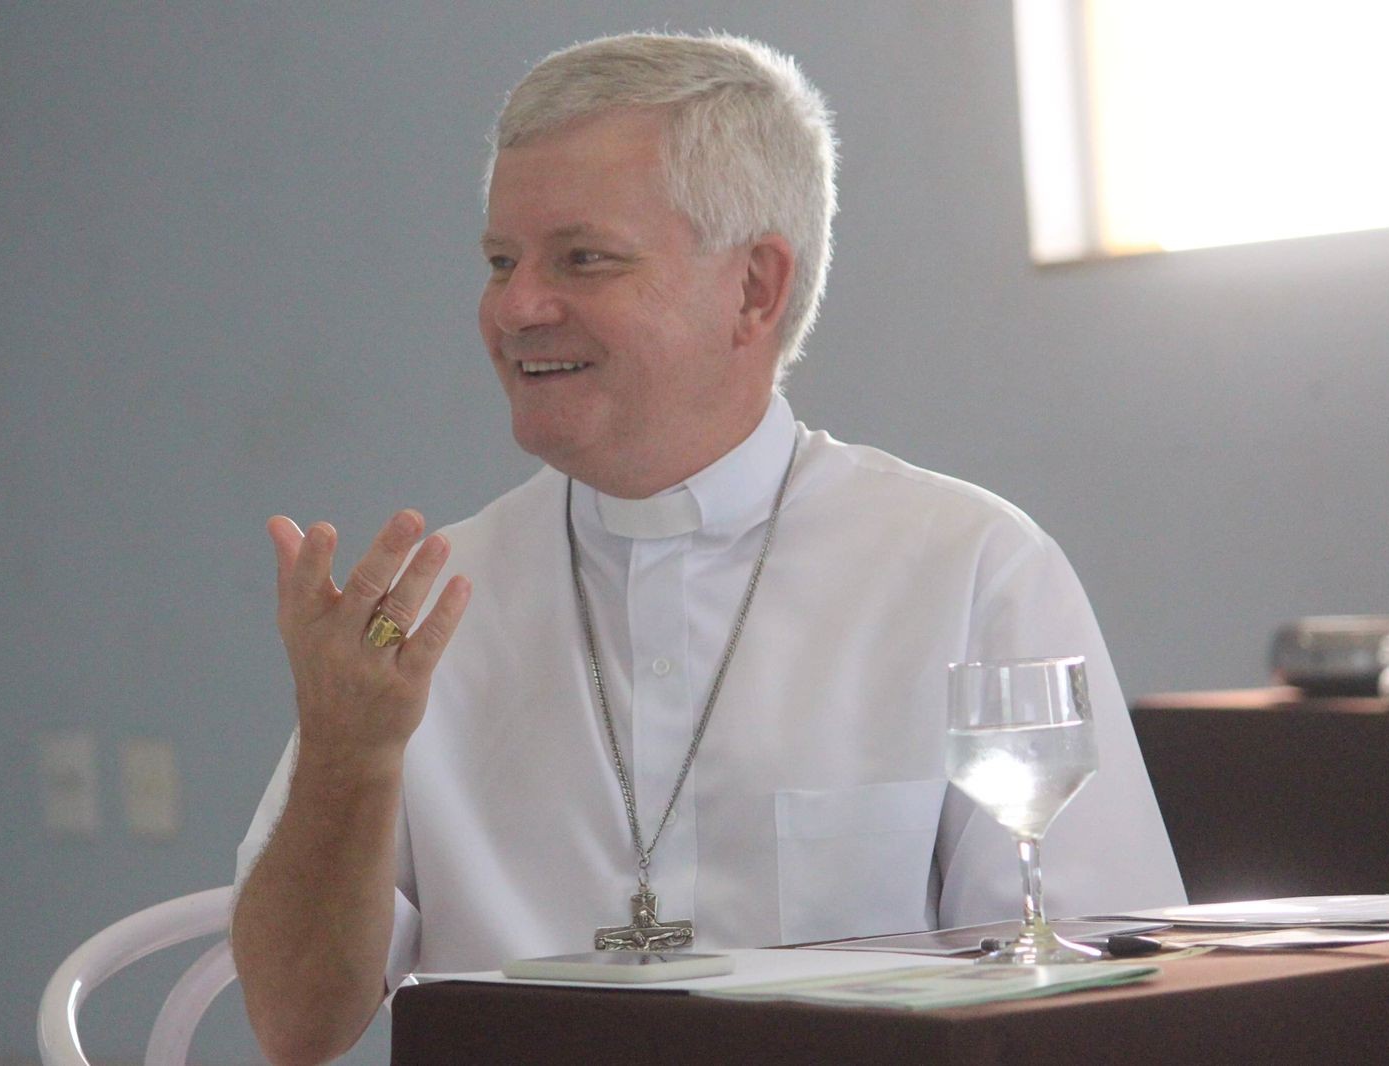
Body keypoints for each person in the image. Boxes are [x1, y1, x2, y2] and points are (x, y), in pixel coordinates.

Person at [231, 31, 1185, 1064]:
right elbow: (295, 1028)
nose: (515, 307)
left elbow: (1098, 1002)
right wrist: (348, 754)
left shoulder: (971, 570)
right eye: (501, 262)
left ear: (754, 289)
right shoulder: (423, 612)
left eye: (582, 258)